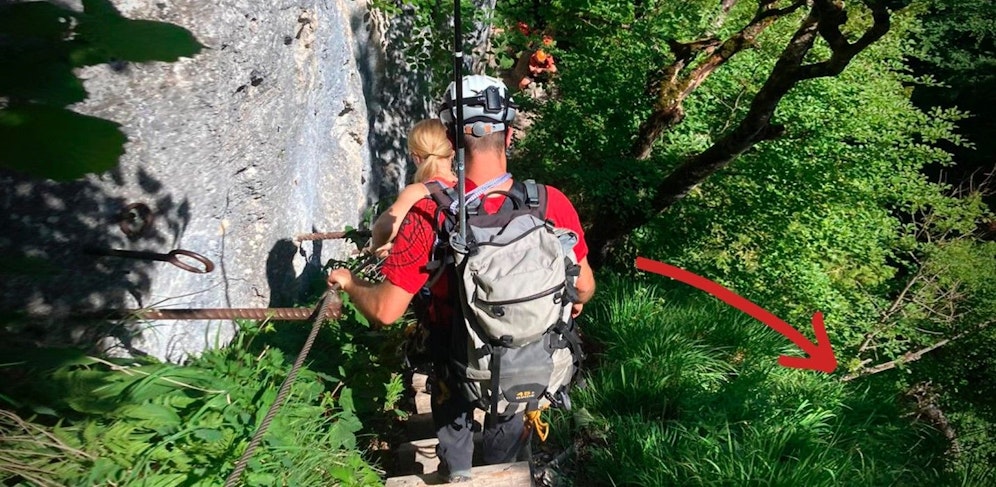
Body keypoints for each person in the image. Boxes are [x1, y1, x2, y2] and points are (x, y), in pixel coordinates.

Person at [328, 75, 595, 483]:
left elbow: (385, 311)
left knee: (452, 412)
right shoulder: (548, 203)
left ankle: (460, 472)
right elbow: (585, 287)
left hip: (455, 358)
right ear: (508, 135)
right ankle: (502, 468)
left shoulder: (430, 212)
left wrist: (349, 284)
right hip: (527, 359)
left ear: (452, 139)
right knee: (508, 421)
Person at [368, 119, 455, 257]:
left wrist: (375, 248)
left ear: (416, 157)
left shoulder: (418, 191)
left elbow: (383, 229)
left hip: (435, 274)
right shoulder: (467, 187)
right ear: (452, 152)